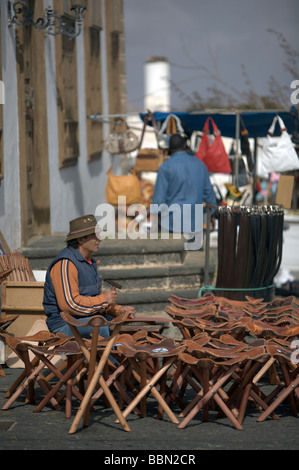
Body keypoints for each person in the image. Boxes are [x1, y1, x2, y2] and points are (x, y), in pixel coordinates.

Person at [43, 214, 136, 339]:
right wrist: (103, 299)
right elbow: (70, 305)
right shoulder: (65, 263)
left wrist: (119, 310)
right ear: (81, 239)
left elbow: (95, 304)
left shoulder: (89, 262)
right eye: (95, 236)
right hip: (65, 325)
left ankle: (125, 357)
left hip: (87, 319)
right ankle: (107, 359)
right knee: (101, 328)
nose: (100, 240)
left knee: (125, 326)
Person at [151, 133, 217, 249]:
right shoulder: (200, 165)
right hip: (194, 223)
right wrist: (212, 214)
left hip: (171, 224)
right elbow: (209, 194)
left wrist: (157, 220)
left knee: (172, 261)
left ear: (170, 149)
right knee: (193, 261)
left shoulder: (165, 167)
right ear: (185, 146)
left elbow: (158, 200)